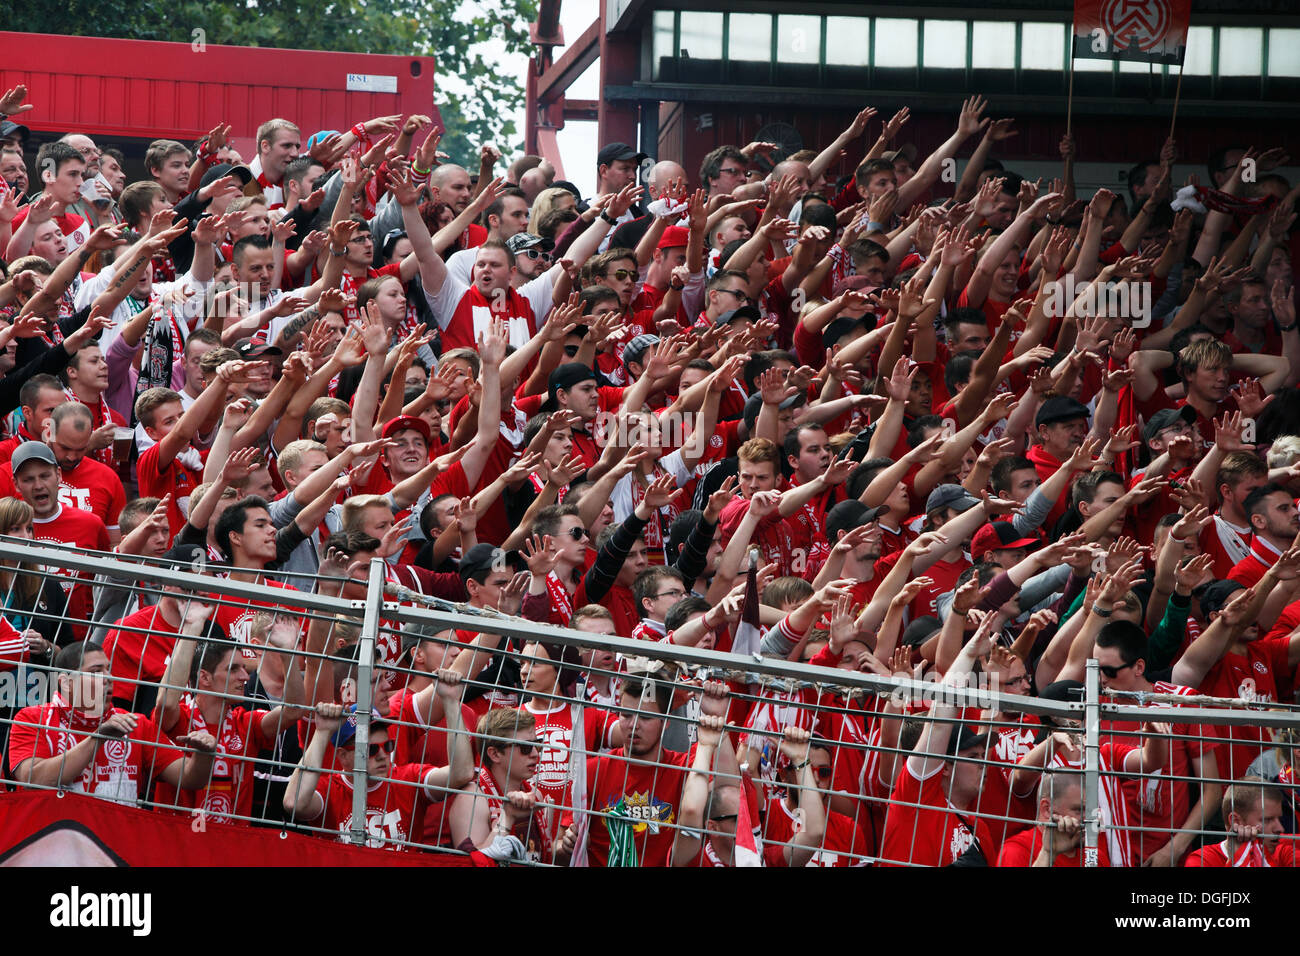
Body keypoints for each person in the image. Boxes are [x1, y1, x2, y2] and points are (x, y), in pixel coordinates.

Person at [8, 640, 218, 805]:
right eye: (96, 671)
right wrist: (97, 739)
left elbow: (189, 778)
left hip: (117, 848)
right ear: (66, 682)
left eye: (108, 669)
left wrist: (204, 755)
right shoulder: (31, 718)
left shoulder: (136, 724)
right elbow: (33, 780)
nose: (108, 677)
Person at [284, 671, 473, 850]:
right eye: (372, 749)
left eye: (388, 746)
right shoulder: (331, 790)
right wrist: (322, 731)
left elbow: (461, 773)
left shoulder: (407, 779)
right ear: (343, 756)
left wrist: (450, 701)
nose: (383, 755)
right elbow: (294, 803)